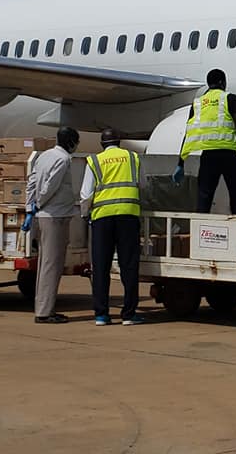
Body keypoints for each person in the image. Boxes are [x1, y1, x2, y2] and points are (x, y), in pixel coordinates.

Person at [81, 129, 145, 326]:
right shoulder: (133, 158)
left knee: (101, 267)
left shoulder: (95, 161)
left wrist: (85, 214)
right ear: (120, 143)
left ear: (102, 144)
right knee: (129, 266)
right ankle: (129, 314)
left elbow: (86, 194)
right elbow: (143, 185)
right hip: (128, 215)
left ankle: (101, 314)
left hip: (102, 218)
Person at [174, 69, 236, 215]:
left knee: (204, 196)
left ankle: (200, 227)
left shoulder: (197, 104)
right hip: (229, 154)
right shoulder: (231, 99)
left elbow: (188, 133)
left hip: (209, 156)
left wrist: (180, 163)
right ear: (222, 82)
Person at [25, 127, 80, 324]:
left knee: (45, 264)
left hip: (46, 215)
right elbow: (51, 185)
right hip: (56, 215)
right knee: (52, 266)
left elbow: (32, 182)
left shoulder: (44, 156)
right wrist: (40, 202)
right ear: (71, 142)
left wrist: (30, 206)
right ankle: (45, 312)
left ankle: (44, 308)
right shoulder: (63, 159)